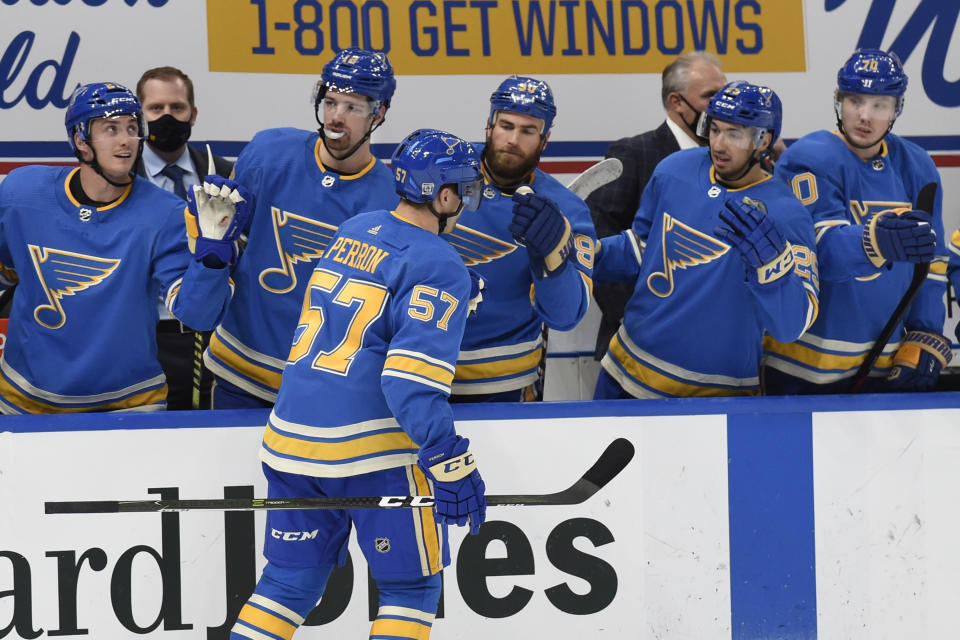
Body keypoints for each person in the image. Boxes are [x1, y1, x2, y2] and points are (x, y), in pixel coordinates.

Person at [229, 129, 486, 640]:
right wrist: (448, 457)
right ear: (443, 195)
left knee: (287, 586)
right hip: (372, 456)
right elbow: (408, 383)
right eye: (465, 190)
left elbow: (370, 314)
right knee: (411, 590)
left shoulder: (356, 227)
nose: (467, 203)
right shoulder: (440, 265)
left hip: (289, 443)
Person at [0, 82, 247, 413]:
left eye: (132, 128)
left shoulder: (164, 214)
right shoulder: (22, 192)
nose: (126, 139)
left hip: (129, 405)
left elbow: (198, 316)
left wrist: (213, 258)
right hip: (24, 400)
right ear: (80, 139)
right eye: (111, 129)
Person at [592, 81, 819, 399]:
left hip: (716, 396)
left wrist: (775, 268)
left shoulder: (787, 213)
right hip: (625, 374)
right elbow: (643, 248)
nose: (719, 144)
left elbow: (792, 326)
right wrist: (592, 253)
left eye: (734, 134)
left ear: (763, 140)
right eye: (715, 129)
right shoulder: (675, 169)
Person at [202, 48, 400, 409]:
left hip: (327, 391)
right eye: (330, 102)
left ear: (379, 114)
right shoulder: (268, 153)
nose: (336, 118)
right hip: (240, 373)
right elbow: (227, 251)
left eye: (353, 107)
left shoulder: (391, 198)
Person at [765, 49, 949, 394]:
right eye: (854, 100)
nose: (864, 116)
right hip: (801, 367)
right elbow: (816, 251)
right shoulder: (807, 157)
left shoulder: (917, 165)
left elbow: (932, 258)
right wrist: (875, 240)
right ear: (839, 102)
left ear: (897, 109)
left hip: (883, 363)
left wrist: (926, 332)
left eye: (880, 105)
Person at [443, 75, 596, 401]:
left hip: (506, 383)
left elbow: (566, 317)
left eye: (528, 131)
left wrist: (551, 259)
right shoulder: (442, 170)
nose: (513, 139)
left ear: (545, 138)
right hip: (420, 371)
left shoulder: (568, 210)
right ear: (489, 125)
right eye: (506, 125)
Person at [586, 52, 727, 360]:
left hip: (717, 345)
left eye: (724, 93)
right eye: (710, 96)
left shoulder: (734, 162)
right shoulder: (634, 153)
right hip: (638, 346)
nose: (722, 105)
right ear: (676, 102)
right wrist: (637, 320)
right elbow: (598, 239)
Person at [135, 65, 234, 410]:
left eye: (177, 108)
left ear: (193, 114)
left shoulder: (223, 174)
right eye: (156, 109)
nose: (167, 117)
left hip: (211, 340)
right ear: (140, 115)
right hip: (142, 338)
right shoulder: (120, 180)